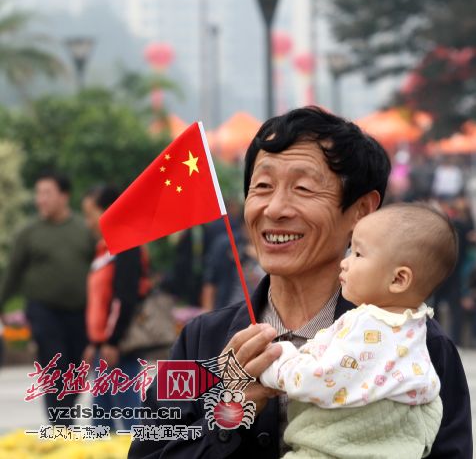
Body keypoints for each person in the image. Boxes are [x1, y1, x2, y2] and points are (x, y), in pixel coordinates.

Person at [129, 107, 472, 459]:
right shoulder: (201, 341)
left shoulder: (415, 344)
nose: (274, 209)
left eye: (303, 188)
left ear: (361, 210)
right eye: (262, 186)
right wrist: (228, 418)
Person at [260, 203, 454, 458]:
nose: (345, 262)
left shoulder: (367, 325)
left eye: (358, 254)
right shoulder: (416, 328)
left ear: (398, 279)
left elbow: (317, 378)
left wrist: (276, 364)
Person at [0, 171, 95, 417]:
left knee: (76, 370)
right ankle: (59, 425)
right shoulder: (28, 232)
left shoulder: (83, 230)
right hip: (43, 311)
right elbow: (13, 273)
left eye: (47, 193)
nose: (40, 199)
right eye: (38, 193)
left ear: (64, 196)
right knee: (54, 365)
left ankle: (65, 414)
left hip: (80, 313)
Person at [82, 185, 151, 430]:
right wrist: (95, 343)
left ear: (108, 212)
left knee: (131, 419)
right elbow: (100, 302)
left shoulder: (126, 246)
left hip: (119, 346)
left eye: (90, 214)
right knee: (101, 421)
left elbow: (124, 298)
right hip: (105, 346)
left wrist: (112, 340)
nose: (88, 222)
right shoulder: (104, 249)